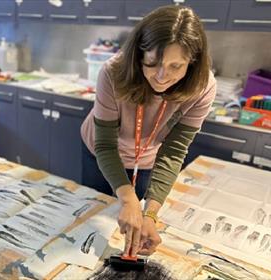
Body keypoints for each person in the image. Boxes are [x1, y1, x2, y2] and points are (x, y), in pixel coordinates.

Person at [80, 5, 216, 258]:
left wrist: (150, 214)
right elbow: (105, 146)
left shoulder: (203, 86)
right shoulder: (113, 72)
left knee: (137, 220)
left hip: (147, 157)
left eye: (177, 66)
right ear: (139, 55)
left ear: (192, 62)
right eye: (153, 63)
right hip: (101, 150)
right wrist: (128, 199)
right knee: (95, 215)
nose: (163, 77)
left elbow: (173, 151)